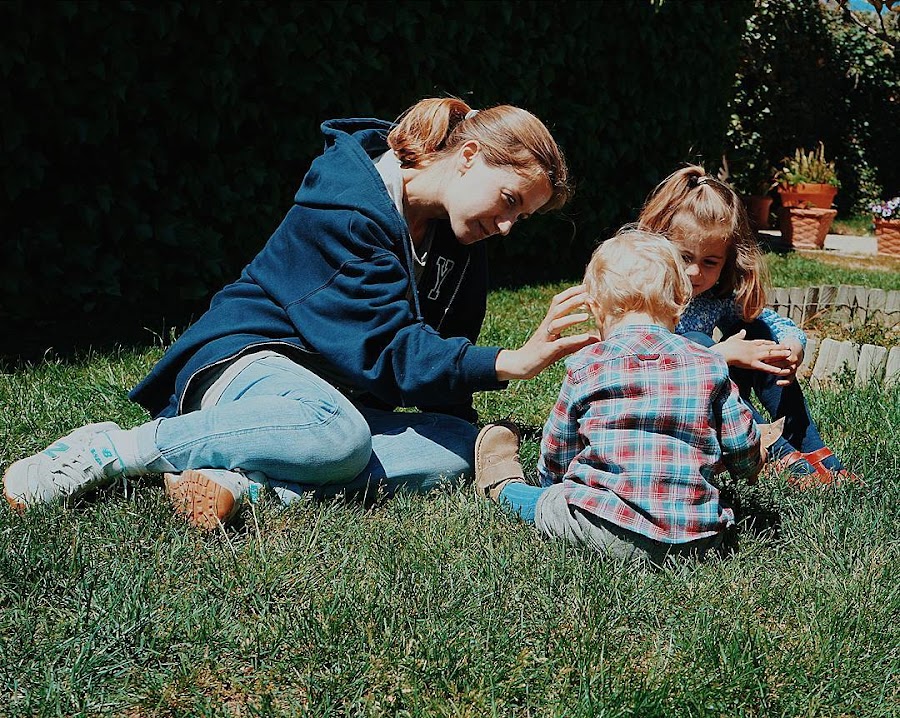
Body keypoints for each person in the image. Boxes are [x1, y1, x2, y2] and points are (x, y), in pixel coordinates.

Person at [4, 97, 597, 528]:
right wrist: (510, 362)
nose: (507, 225)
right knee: (340, 435)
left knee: (460, 447)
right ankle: (112, 450)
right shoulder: (348, 209)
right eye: (509, 200)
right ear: (468, 156)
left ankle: (252, 485)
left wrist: (463, 429)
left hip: (334, 398)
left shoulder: (460, 237)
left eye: (522, 216)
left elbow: (440, 351)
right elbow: (391, 352)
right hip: (242, 365)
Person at [473, 229, 764, 564]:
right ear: (680, 304)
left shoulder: (588, 364)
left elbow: (559, 447)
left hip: (605, 527)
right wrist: (750, 464)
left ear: (597, 309)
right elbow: (741, 444)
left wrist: (553, 483)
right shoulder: (708, 362)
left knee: (549, 503)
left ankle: (504, 487)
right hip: (699, 540)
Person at [637, 165, 858, 489]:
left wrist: (791, 345)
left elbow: (770, 321)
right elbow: (643, 364)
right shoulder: (642, 298)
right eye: (683, 257)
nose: (694, 272)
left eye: (710, 262)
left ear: (727, 261)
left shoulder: (712, 298)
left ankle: (809, 447)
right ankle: (772, 452)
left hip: (709, 399)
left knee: (759, 332)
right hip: (661, 407)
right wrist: (717, 355)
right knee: (696, 340)